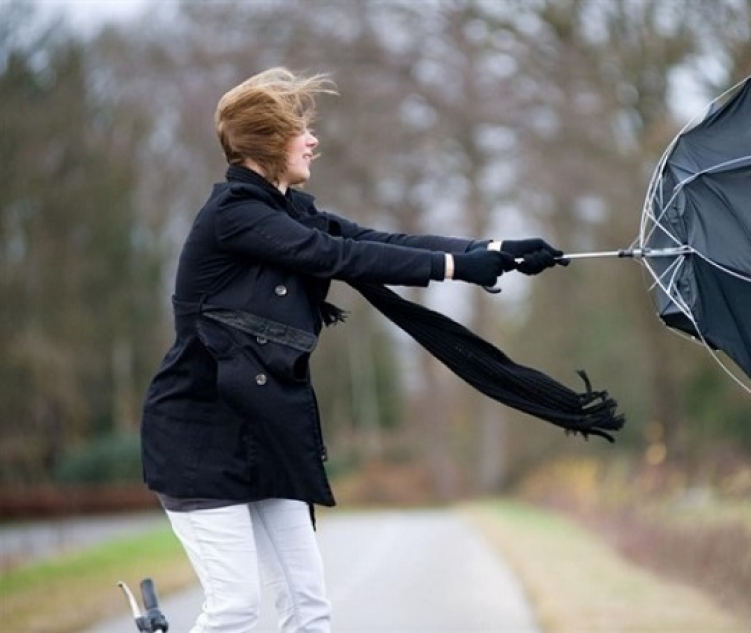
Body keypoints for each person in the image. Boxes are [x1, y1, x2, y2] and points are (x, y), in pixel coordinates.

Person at [140, 67, 562, 633]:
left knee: (308, 609)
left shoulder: (290, 211)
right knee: (236, 607)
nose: (312, 140)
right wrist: (457, 266)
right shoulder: (234, 216)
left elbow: (373, 242)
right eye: (299, 130)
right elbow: (335, 257)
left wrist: (492, 249)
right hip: (200, 436)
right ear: (267, 142)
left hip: (268, 433)